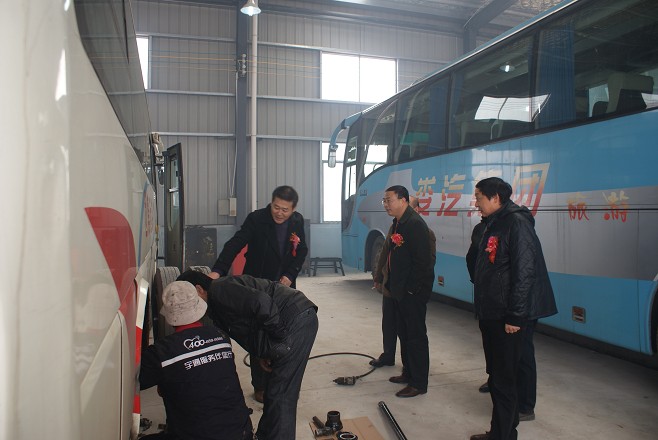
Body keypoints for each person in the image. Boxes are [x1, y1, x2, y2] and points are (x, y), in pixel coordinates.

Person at [177, 269, 318, 440]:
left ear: (199, 289)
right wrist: (262, 352)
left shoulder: (220, 289)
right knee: (273, 392)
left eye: (188, 298)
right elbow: (248, 324)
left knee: (282, 394)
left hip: (296, 317)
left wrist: (278, 338)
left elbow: (261, 302)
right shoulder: (214, 305)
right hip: (289, 319)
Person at [468, 177, 557, 440]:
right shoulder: (494, 222)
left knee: (504, 380)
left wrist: (515, 316)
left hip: (508, 316)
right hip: (493, 312)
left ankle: (503, 434)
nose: (476, 203)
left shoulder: (516, 223)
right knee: (498, 376)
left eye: (479, 198)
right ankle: (503, 430)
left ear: (495, 198)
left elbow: (525, 272)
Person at [209, 185, 308, 402]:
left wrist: (290, 274)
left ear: (293, 209)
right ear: (271, 202)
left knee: (283, 332)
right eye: (276, 207)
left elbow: (301, 251)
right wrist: (218, 271)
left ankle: (279, 381)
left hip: (284, 287)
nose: (279, 213)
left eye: (285, 209)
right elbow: (235, 244)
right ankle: (260, 386)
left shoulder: (297, 221)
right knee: (259, 334)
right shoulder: (257, 219)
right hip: (258, 285)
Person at [139, 281, 253, 440]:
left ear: (168, 314)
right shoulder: (221, 337)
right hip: (241, 433)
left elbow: (132, 383)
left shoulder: (161, 352)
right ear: (199, 307)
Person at [380, 186, 434, 398]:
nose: (386, 204)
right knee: (404, 333)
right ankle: (408, 373)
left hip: (412, 293)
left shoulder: (415, 224)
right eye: (384, 201)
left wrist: (411, 290)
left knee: (415, 336)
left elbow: (423, 262)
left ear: (403, 200)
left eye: (389, 200)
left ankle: (419, 383)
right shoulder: (399, 222)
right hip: (399, 291)